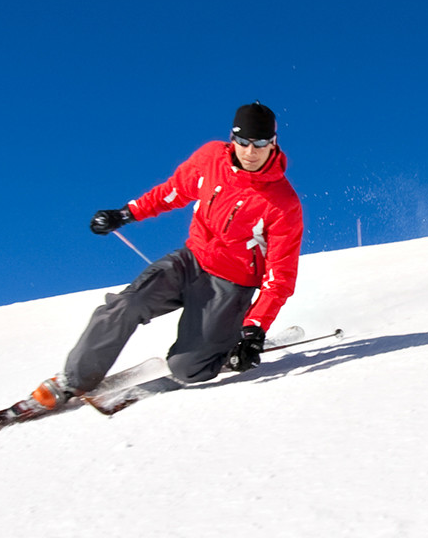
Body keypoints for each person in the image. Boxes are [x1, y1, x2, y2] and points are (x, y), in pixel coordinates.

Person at [26, 101, 304, 412]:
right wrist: (126, 213)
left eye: (260, 144)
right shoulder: (211, 157)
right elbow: (173, 191)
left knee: (186, 367)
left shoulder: (282, 203)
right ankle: (71, 381)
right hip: (191, 261)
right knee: (126, 304)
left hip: (230, 284)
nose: (250, 152)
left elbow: (279, 277)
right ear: (232, 138)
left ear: (273, 142)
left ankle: (225, 346)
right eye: (243, 142)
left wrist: (254, 327)